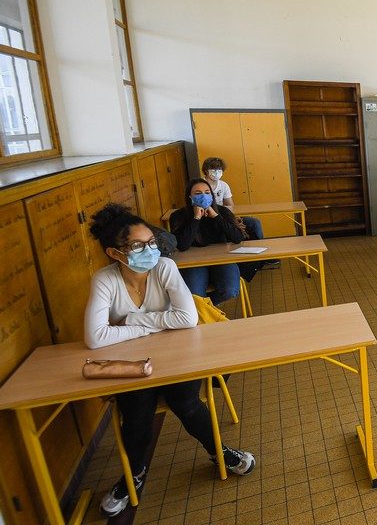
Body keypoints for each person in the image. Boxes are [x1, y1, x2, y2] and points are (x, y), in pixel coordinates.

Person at [84, 203, 255, 517]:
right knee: (136, 416)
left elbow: (188, 318)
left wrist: (130, 322)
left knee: (186, 403)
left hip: (180, 355)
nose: (149, 250)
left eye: (151, 242)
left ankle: (220, 452)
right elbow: (95, 337)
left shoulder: (164, 267)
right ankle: (134, 473)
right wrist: (161, 320)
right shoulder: (104, 280)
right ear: (115, 253)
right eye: (138, 246)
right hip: (133, 362)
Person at [169, 179, 246, 305]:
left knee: (230, 290)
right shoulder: (178, 216)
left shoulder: (222, 212)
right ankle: (202, 307)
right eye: (198, 193)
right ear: (190, 197)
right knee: (195, 293)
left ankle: (207, 308)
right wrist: (196, 218)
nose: (203, 196)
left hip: (221, 258)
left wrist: (216, 216)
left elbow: (237, 238)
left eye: (206, 192)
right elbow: (182, 245)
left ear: (211, 195)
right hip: (193, 262)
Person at [202, 157, 279, 268]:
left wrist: (236, 219)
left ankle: (262, 256)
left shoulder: (223, 185)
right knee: (230, 231)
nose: (216, 172)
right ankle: (241, 260)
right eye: (213, 169)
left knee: (254, 223)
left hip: (226, 216)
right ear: (206, 170)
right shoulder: (201, 185)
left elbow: (230, 206)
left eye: (219, 169)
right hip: (210, 219)